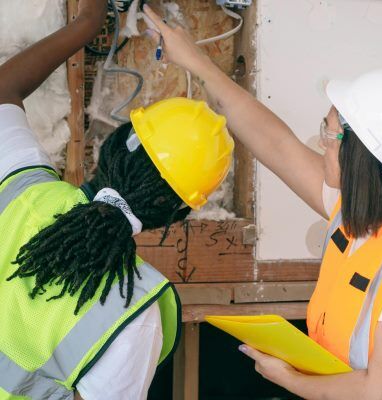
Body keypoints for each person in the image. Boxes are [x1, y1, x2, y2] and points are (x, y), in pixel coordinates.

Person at [143, 5, 382, 399]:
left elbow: (381, 394)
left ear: (360, 157)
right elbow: (276, 143)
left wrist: (287, 378)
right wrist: (197, 62)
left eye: (329, 134)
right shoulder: (362, 216)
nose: (321, 141)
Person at [0, 1, 234, 399]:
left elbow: (4, 89)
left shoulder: (24, 189)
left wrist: (87, 23)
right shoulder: (131, 311)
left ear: (112, 146)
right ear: (177, 212)